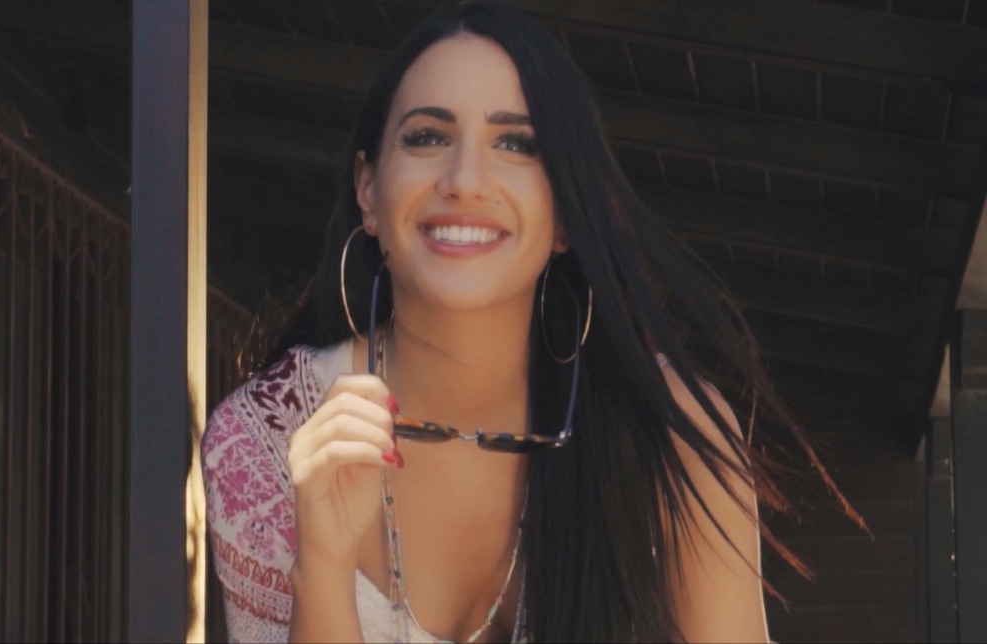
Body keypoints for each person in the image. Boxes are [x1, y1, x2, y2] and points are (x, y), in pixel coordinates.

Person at [203, 3, 852, 642]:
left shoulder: (669, 432)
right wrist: (321, 567)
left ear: (567, 213)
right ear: (368, 189)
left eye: (516, 144)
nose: (465, 180)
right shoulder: (265, 443)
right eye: (428, 137)